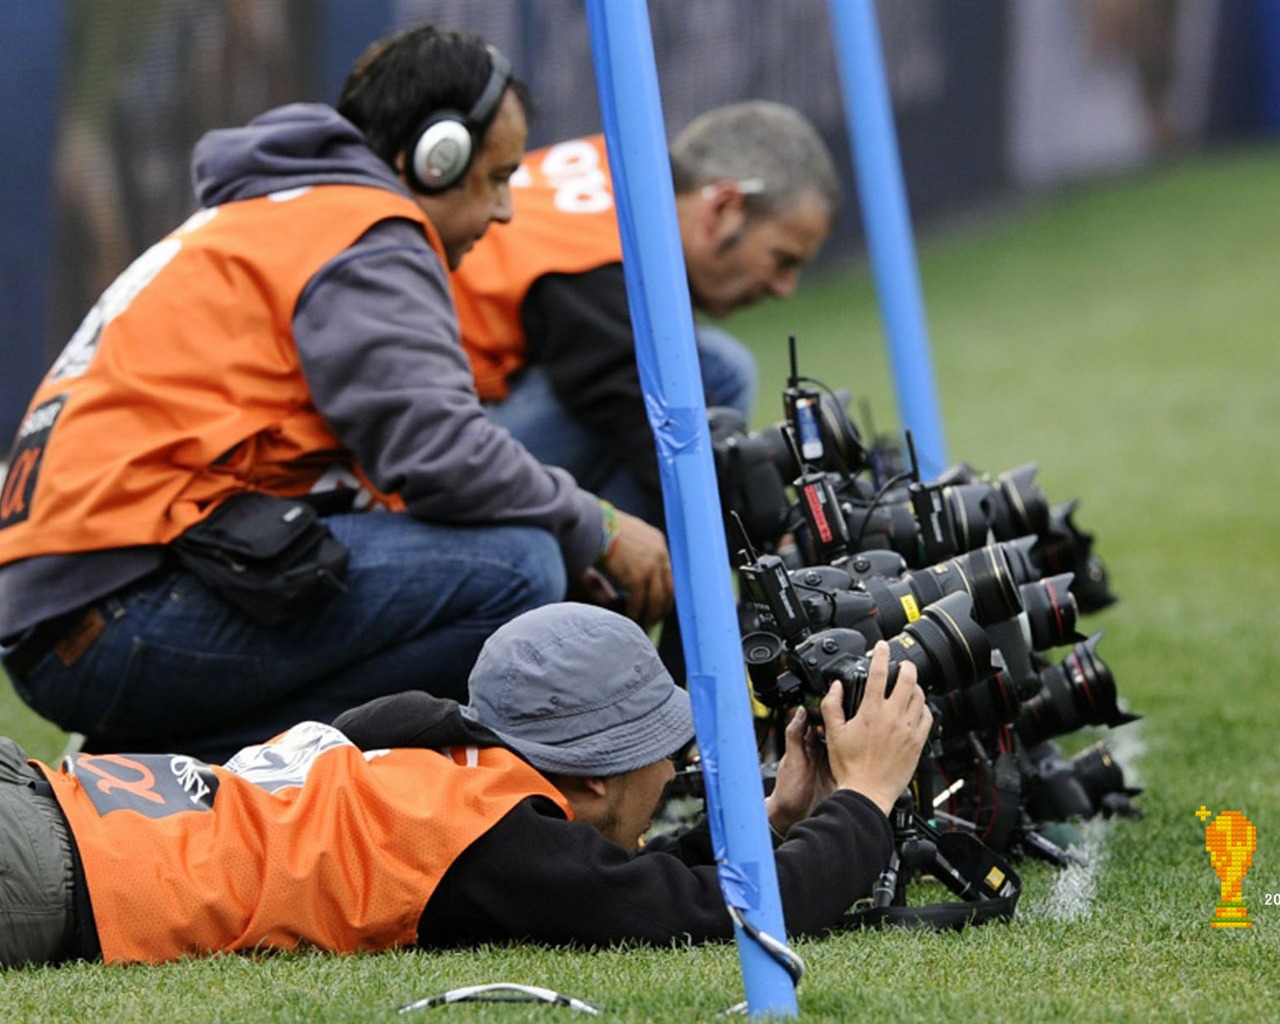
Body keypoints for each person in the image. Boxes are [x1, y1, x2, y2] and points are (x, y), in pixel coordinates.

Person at [0, 24, 672, 764]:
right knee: (517, 567)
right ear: (433, 157)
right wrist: (599, 525)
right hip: (115, 610)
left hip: (82, 606)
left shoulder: (292, 215)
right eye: (497, 176)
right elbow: (439, 454)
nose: (508, 210)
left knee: (510, 550)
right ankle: (180, 774)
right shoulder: (366, 231)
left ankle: (156, 765)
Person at [0, 602, 931, 968]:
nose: (677, 769)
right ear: (600, 775)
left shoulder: (431, 745)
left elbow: (596, 873)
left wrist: (773, 822)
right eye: (667, 750)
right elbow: (692, 914)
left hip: (46, 796)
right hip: (44, 870)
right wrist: (866, 801)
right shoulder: (487, 839)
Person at [451, 101, 842, 526]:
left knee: (704, 369)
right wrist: (773, 535)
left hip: (449, 411)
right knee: (701, 376)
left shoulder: (617, 169)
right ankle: (612, 586)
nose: (784, 289)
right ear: (723, 208)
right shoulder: (596, 265)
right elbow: (669, 453)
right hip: (428, 466)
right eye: (783, 260)